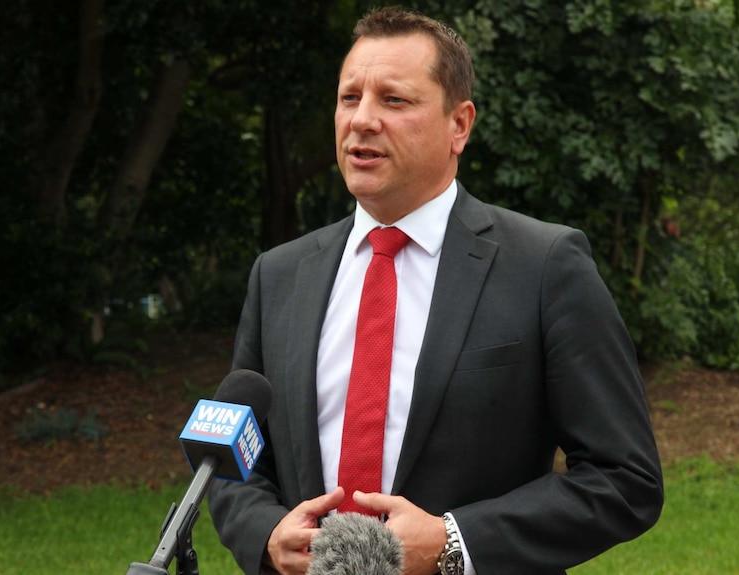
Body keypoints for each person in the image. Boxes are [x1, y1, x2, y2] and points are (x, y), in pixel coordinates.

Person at [208, 7, 663, 575]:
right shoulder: (278, 274)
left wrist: (454, 543)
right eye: (350, 98)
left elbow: (626, 480)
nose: (363, 120)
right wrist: (264, 533)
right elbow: (231, 459)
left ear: (459, 125)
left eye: (393, 100)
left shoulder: (545, 265)